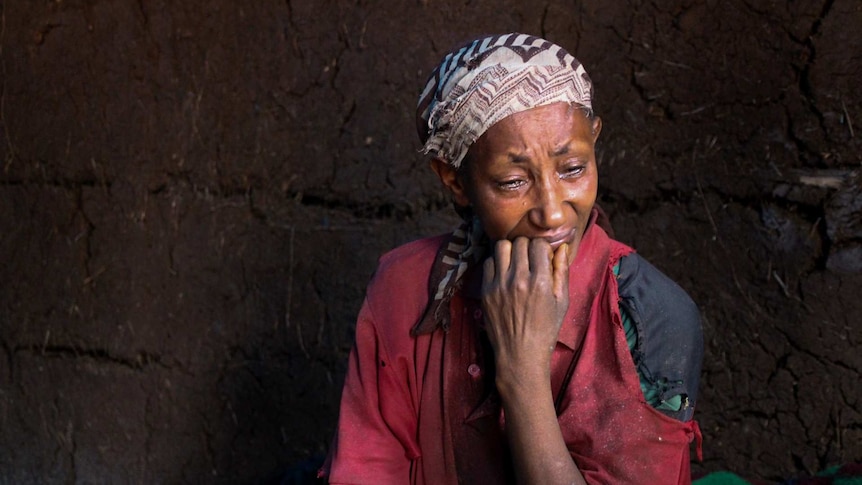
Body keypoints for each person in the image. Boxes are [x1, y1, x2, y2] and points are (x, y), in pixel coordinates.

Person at [320, 33, 703, 484]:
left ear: (594, 141)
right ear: (454, 180)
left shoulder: (649, 315)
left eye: (573, 169)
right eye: (512, 182)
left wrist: (522, 373)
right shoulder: (404, 289)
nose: (553, 211)